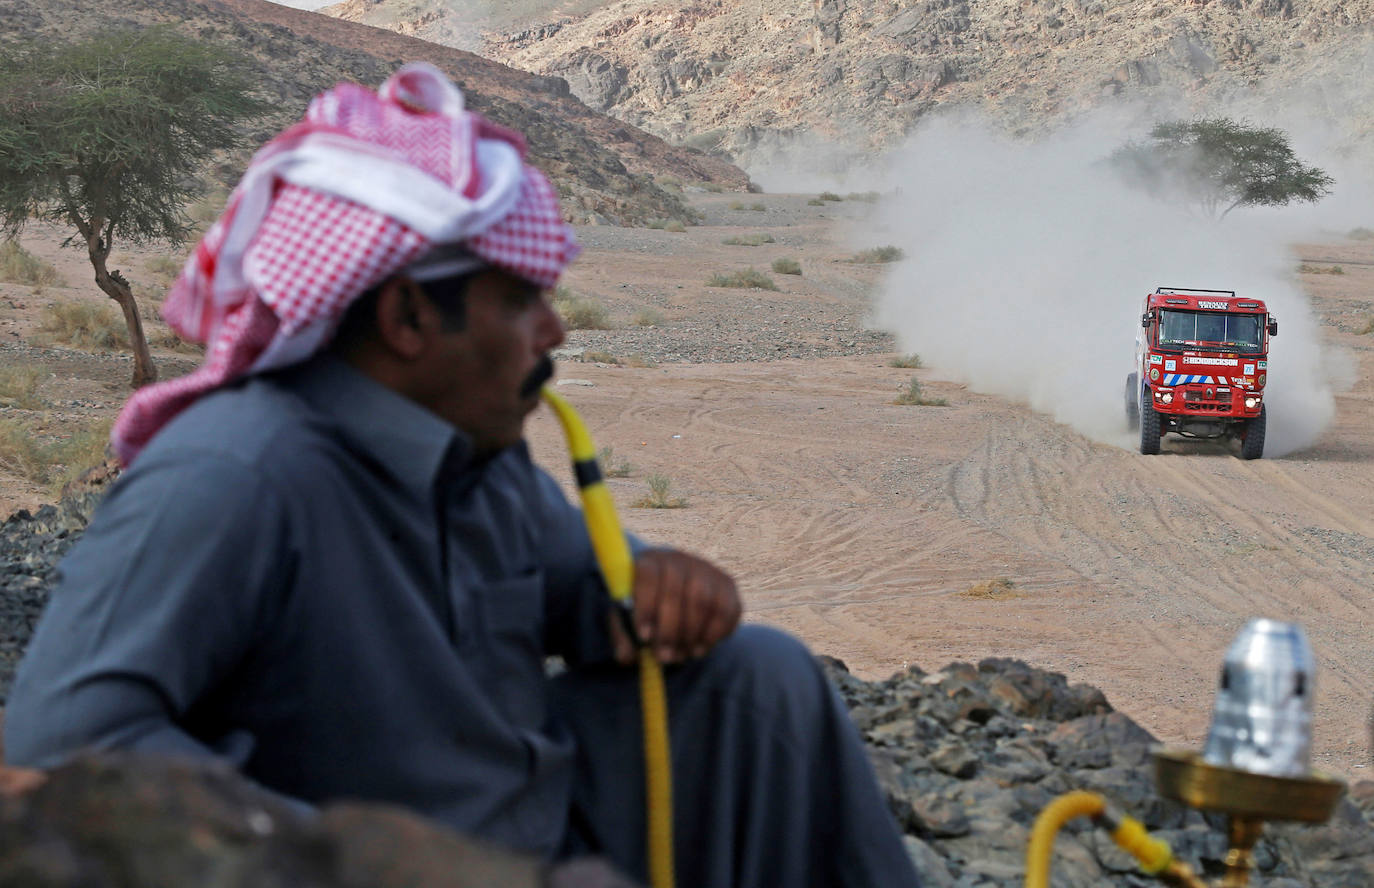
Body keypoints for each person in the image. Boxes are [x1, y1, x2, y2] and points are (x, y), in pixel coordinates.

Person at [4, 64, 920, 888]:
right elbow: (60, 752)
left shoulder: (479, 458)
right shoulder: (231, 476)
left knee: (761, 678)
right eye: (523, 301)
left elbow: (594, 591)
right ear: (407, 317)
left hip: (531, 834)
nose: (554, 333)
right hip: (348, 868)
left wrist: (656, 587)